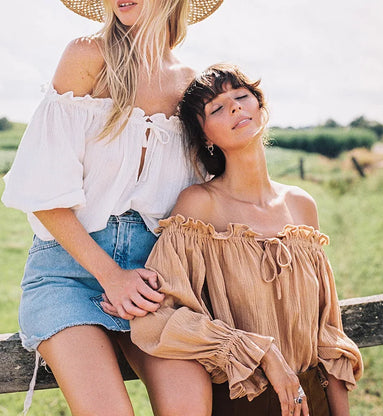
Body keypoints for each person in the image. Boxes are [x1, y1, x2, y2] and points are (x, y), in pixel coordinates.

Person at [1, 1, 224, 415]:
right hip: (69, 275)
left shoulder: (193, 86)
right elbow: (44, 194)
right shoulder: (88, 56)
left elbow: (212, 194)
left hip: (156, 284)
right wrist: (112, 277)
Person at [126, 63, 364, 416]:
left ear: (260, 108)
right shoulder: (200, 206)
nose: (235, 107)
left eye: (241, 96)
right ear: (205, 134)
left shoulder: (301, 206)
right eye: (217, 108)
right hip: (241, 402)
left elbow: (328, 333)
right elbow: (161, 316)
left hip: (313, 400)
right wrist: (259, 351)